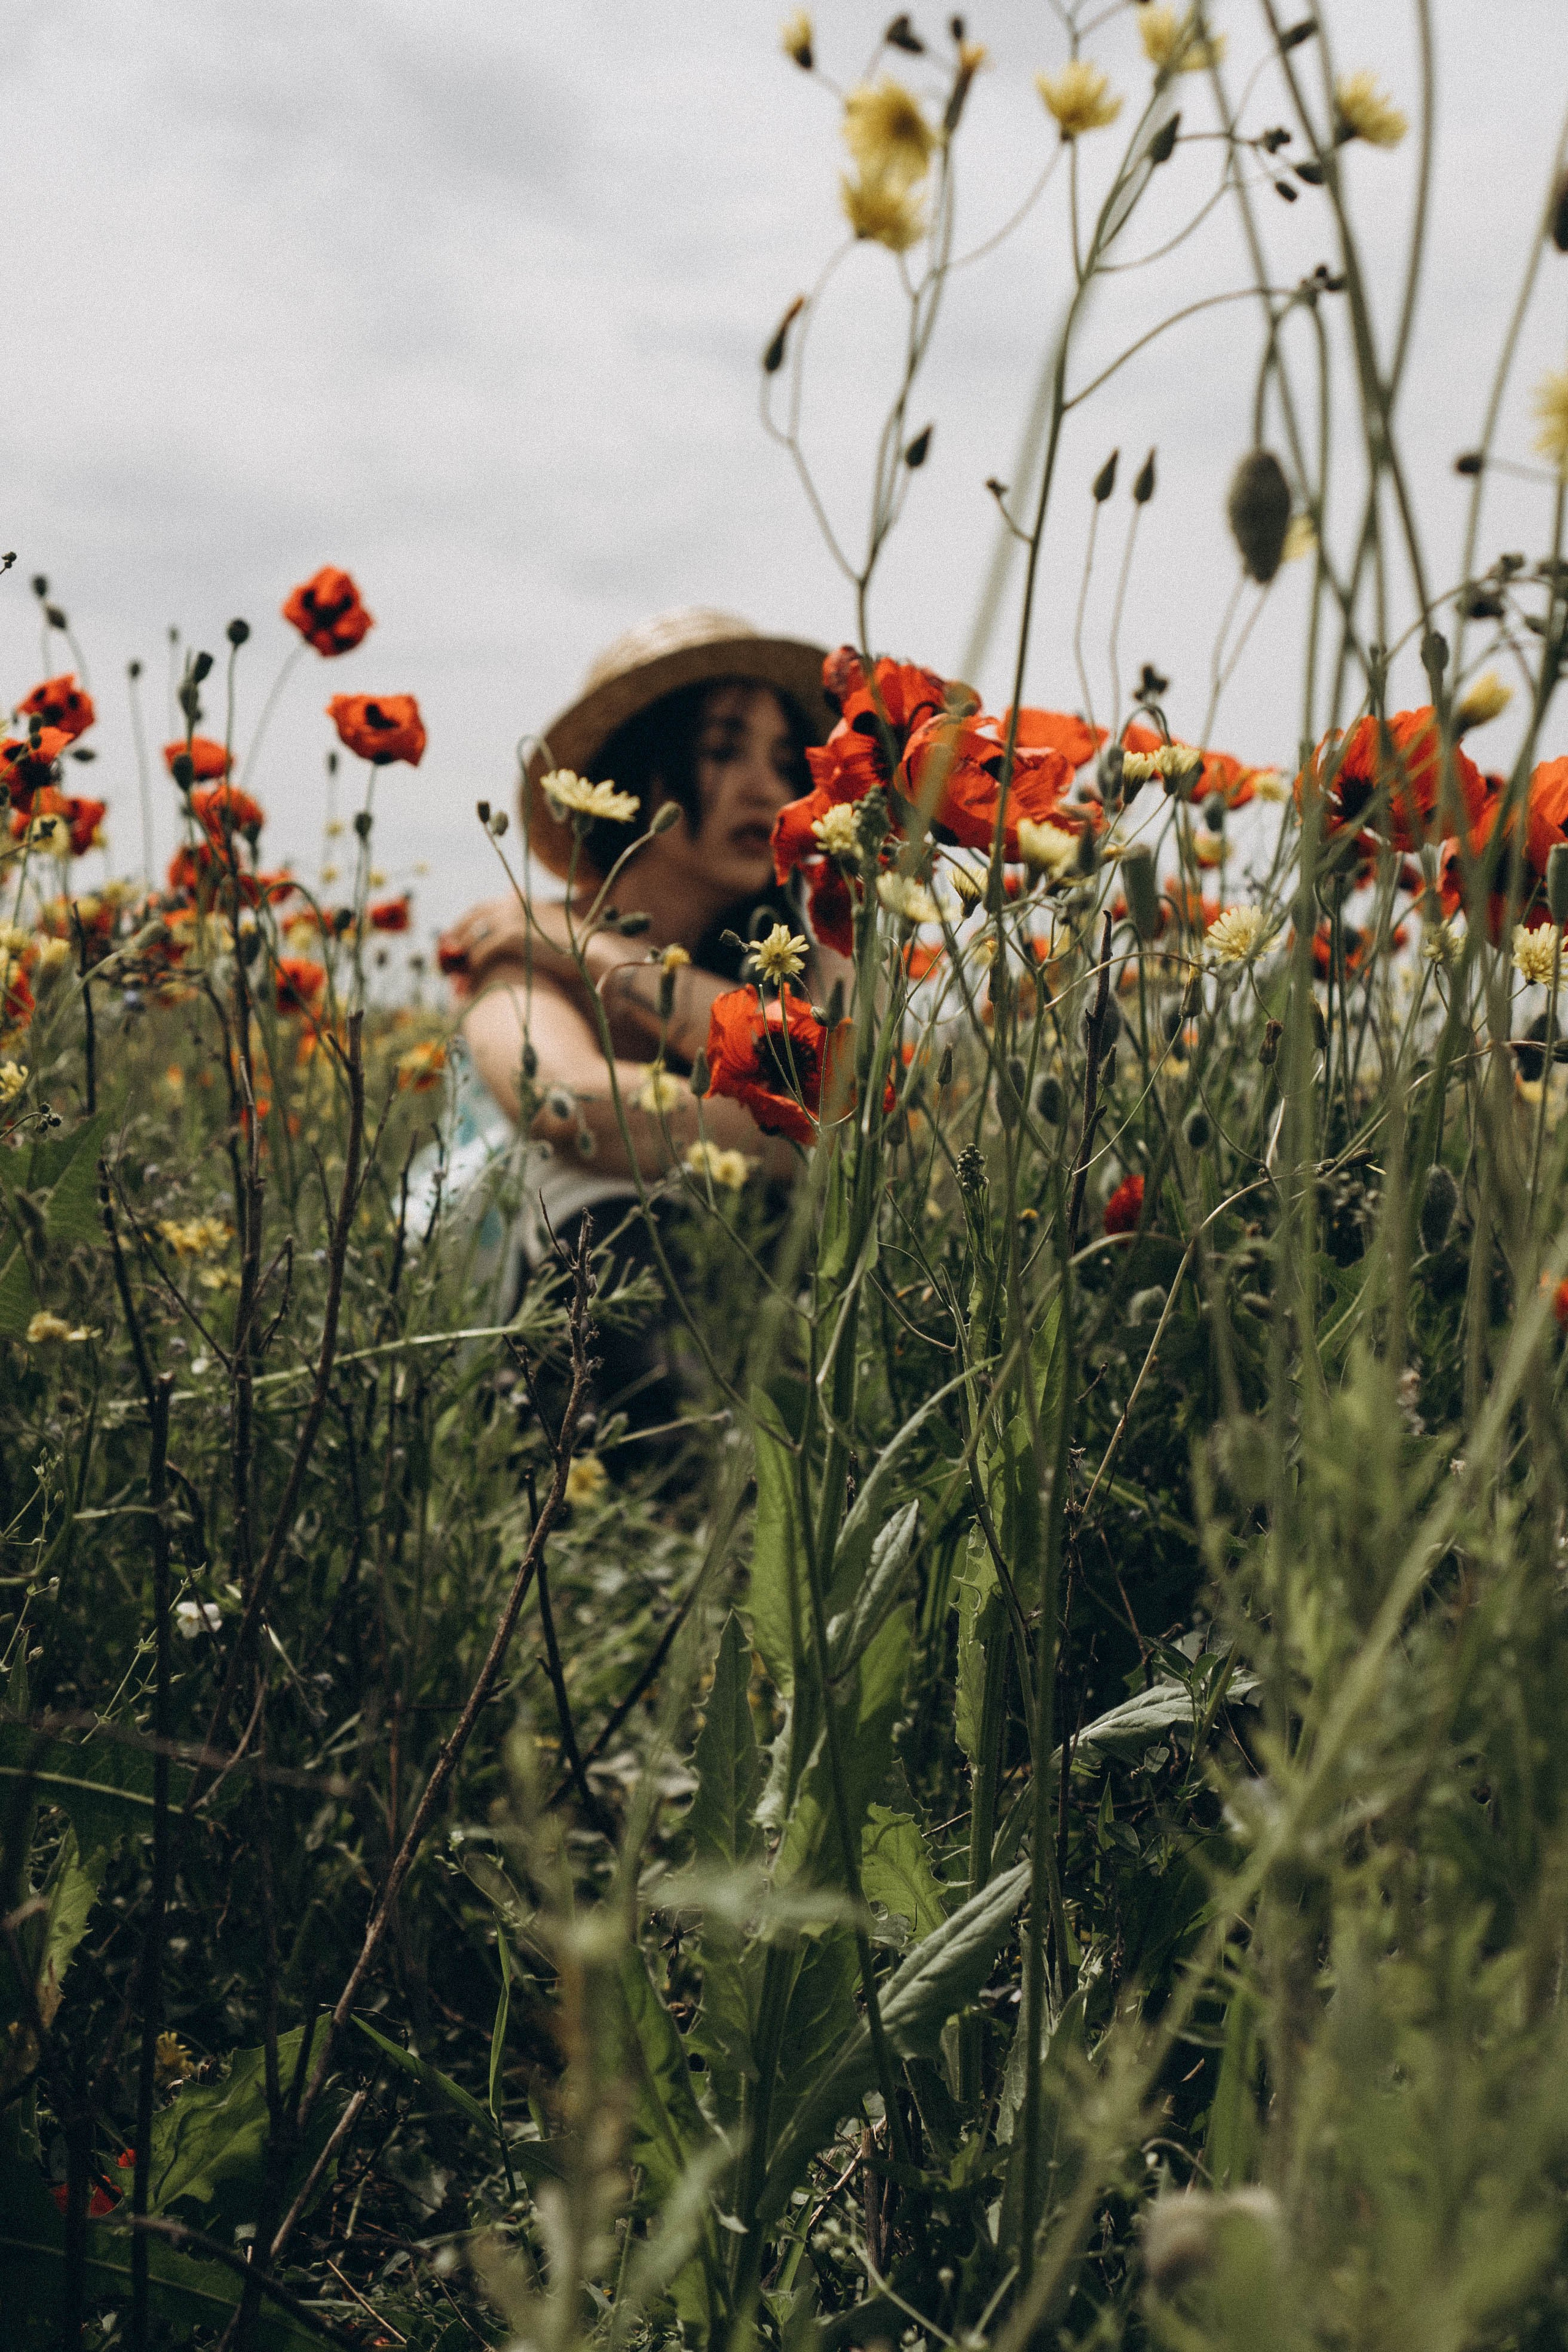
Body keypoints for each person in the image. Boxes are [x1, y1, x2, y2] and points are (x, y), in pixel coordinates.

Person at [437, 608, 850, 1429]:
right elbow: (564, 1105)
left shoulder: (801, 947)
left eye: (783, 761)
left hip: (747, 1305)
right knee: (613, 1231)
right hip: (552, 1326)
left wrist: (604, 961)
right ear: (631, 776)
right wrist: (789, 1133)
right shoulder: (513, 944)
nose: (769, 789)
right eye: (724, 749)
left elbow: (845, 1088)